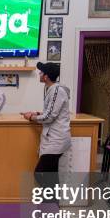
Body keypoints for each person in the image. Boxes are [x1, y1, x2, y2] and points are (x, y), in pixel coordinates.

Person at [21, 62, 71, 194]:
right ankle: (51, 207)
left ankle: (51, 205)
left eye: (41, 72)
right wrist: (37, 113)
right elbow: (51, 111)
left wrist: (31, 117)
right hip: (53, 139)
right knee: (51, 176)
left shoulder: (56, 90)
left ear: (46, 77)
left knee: (40, 174)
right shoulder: (52, 89)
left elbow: (49, 117)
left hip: (56, 140)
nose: (39, 73)